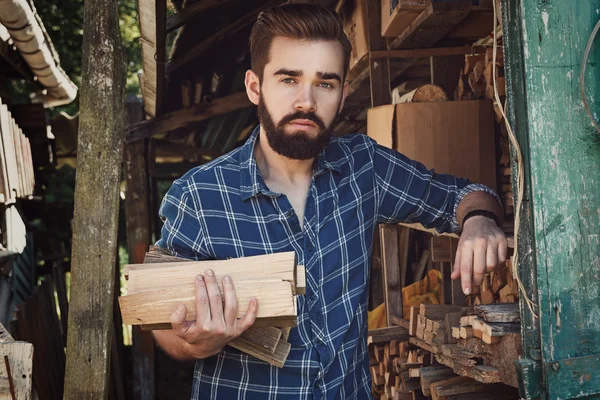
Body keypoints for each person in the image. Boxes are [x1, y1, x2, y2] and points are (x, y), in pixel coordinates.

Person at [152, 4, 506, 399]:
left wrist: (477, 220)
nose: (306, 101)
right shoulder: (198, 195)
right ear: (255, 86)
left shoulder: (364, 167)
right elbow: (159, 320)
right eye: (289, 79)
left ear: (343, 92)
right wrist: (194, 343)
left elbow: (463, 195)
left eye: (325, 83)